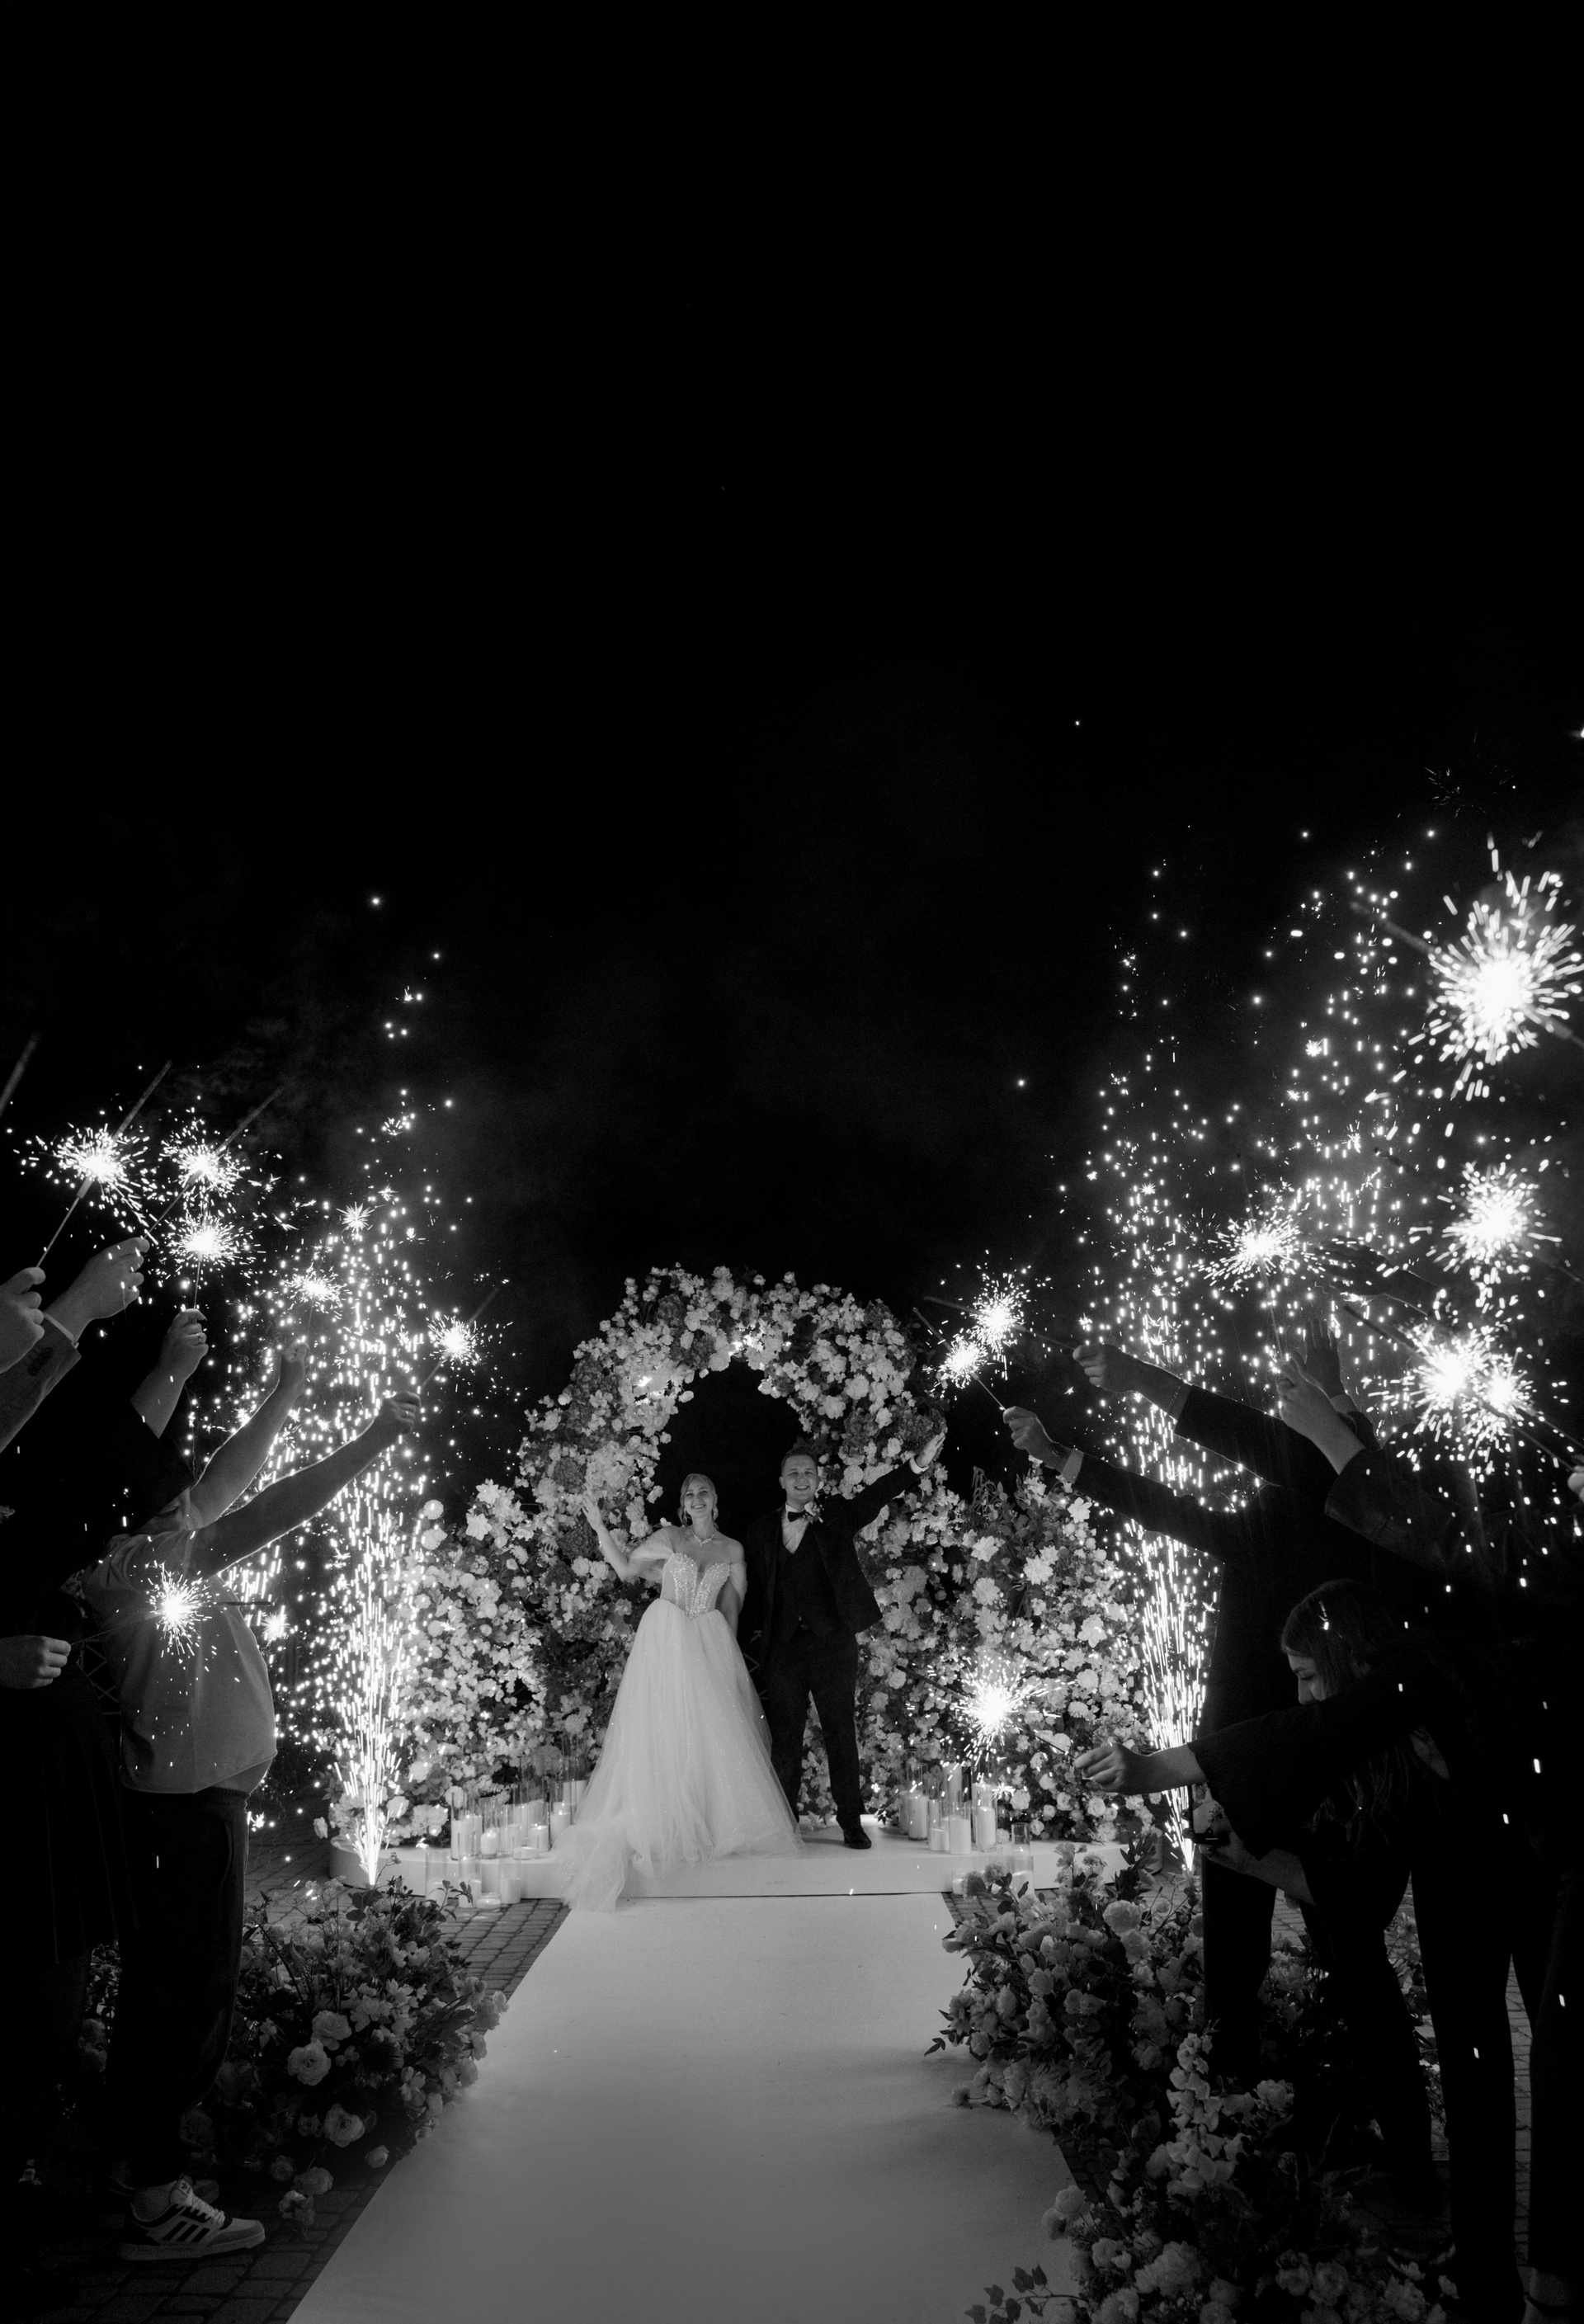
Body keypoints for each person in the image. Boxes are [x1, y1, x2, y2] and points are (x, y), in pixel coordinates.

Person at [1004, 1324, 1438, 2084]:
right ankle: (1299, 2104)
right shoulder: (1357, 1502)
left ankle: (1226, 2101)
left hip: (1261, 1755)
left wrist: (1099, 1420)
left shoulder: (1325, 1496)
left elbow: (1180, 1499)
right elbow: (1183, 1499)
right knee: (1336, 1953)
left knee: (1261, 1952)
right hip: (1283, 1752)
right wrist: (1071, 1447)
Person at [74, 1381, 416, 2264]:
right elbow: (267, 1511)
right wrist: (372, 1440)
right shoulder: (135, 1564)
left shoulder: (151, 1542)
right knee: (182, 2004)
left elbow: (233, 1478)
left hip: (197, 1809)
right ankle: (157, 2202)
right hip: (181, 1818)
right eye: (164, 1483)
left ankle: (131, 2172)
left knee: (179, 1996)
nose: (186, 1489)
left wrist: (284, 1393)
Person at [0, 1239, 150, 2314]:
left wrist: (164, 1371)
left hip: (44, 1801)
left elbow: (105, 1476)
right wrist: (80, 1310)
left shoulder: (25, 1482)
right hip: (11, 1806)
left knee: (42, 2023)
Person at [569, 1473, 803, 1910]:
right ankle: (663, 1821)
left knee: (710, 1735)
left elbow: (731, 1608)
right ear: (683, 1503)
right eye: (690, 1494)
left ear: (715, 1500)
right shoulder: (670, 1539)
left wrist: (727, 1662)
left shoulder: (732, 1549)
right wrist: (600, 1528)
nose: (697, 1499)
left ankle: (709, 1822)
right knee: (663, 1727)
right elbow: (625, 1569)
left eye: (703, 1493)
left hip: (708, 1642)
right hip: (667, 1637)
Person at [740, 1424, 945, 1849]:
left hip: (832, 1644)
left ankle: (851, 1822)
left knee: (840, 1733)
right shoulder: (759, 1532)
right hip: (783, 1651)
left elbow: (877, 1495)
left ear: (818, 1480)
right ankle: (784, 1826)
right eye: (794, 1473)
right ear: (781, 1481)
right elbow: (752, 1596)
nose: (801, 1478)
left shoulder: (836, 1515)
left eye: (808, 1473)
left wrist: (918, 1464)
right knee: (785, 1739)